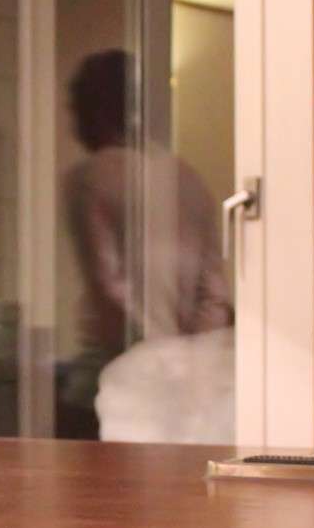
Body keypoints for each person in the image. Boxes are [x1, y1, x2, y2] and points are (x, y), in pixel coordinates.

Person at [55, 49, 231, 437]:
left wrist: (156, 353)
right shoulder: (185, 177)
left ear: (94, 109)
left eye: (75, 108)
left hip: (116, 365)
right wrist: (190, 359)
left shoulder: (88, 178)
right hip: (189, 374)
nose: (72, 123)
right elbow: (214, 290)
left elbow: (109, 284)